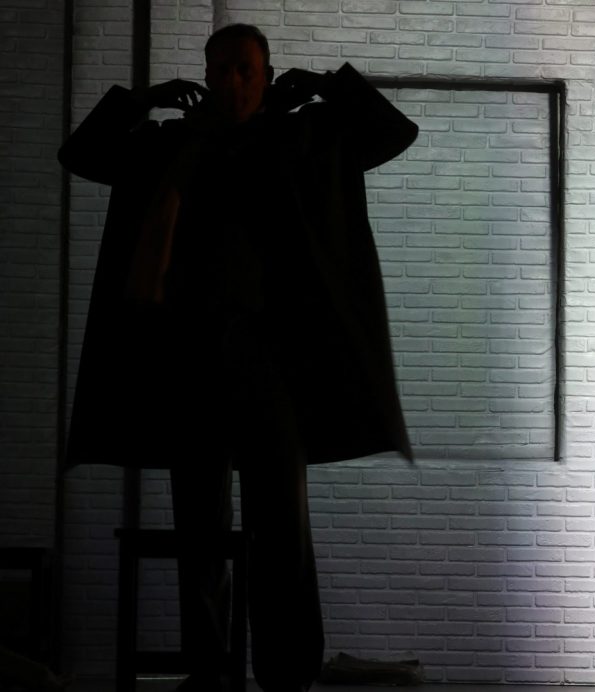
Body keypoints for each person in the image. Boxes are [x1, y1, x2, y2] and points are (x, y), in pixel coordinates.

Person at [59, 23, 418, 692]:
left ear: (267, 75)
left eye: (244, 69)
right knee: (199, 531)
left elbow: (393, 134)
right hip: (190, 362)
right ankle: (210, 672)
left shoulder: (302, 139)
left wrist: (328, 86)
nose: (230, 80)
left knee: (281, 528)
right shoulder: (170, 146)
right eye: (219, 68)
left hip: (275, 365)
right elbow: (82, 153)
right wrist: (141, 100)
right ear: (203, 76)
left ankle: (286, 674)